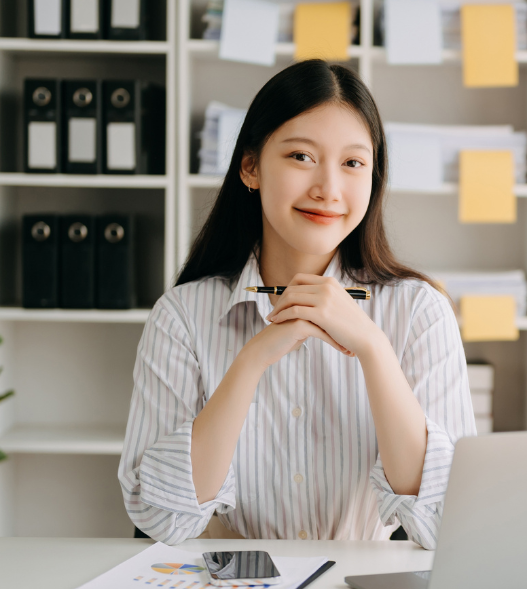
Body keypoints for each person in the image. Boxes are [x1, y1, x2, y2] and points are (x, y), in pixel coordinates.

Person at [118, 60, 475, 549]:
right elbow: (161, 520)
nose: (328, 188)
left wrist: (373, 348)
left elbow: (443, 524)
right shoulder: (182, 316)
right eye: (302, 157)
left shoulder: (419, 312)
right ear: (251, 167)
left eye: (353, 163)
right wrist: (253, 357)